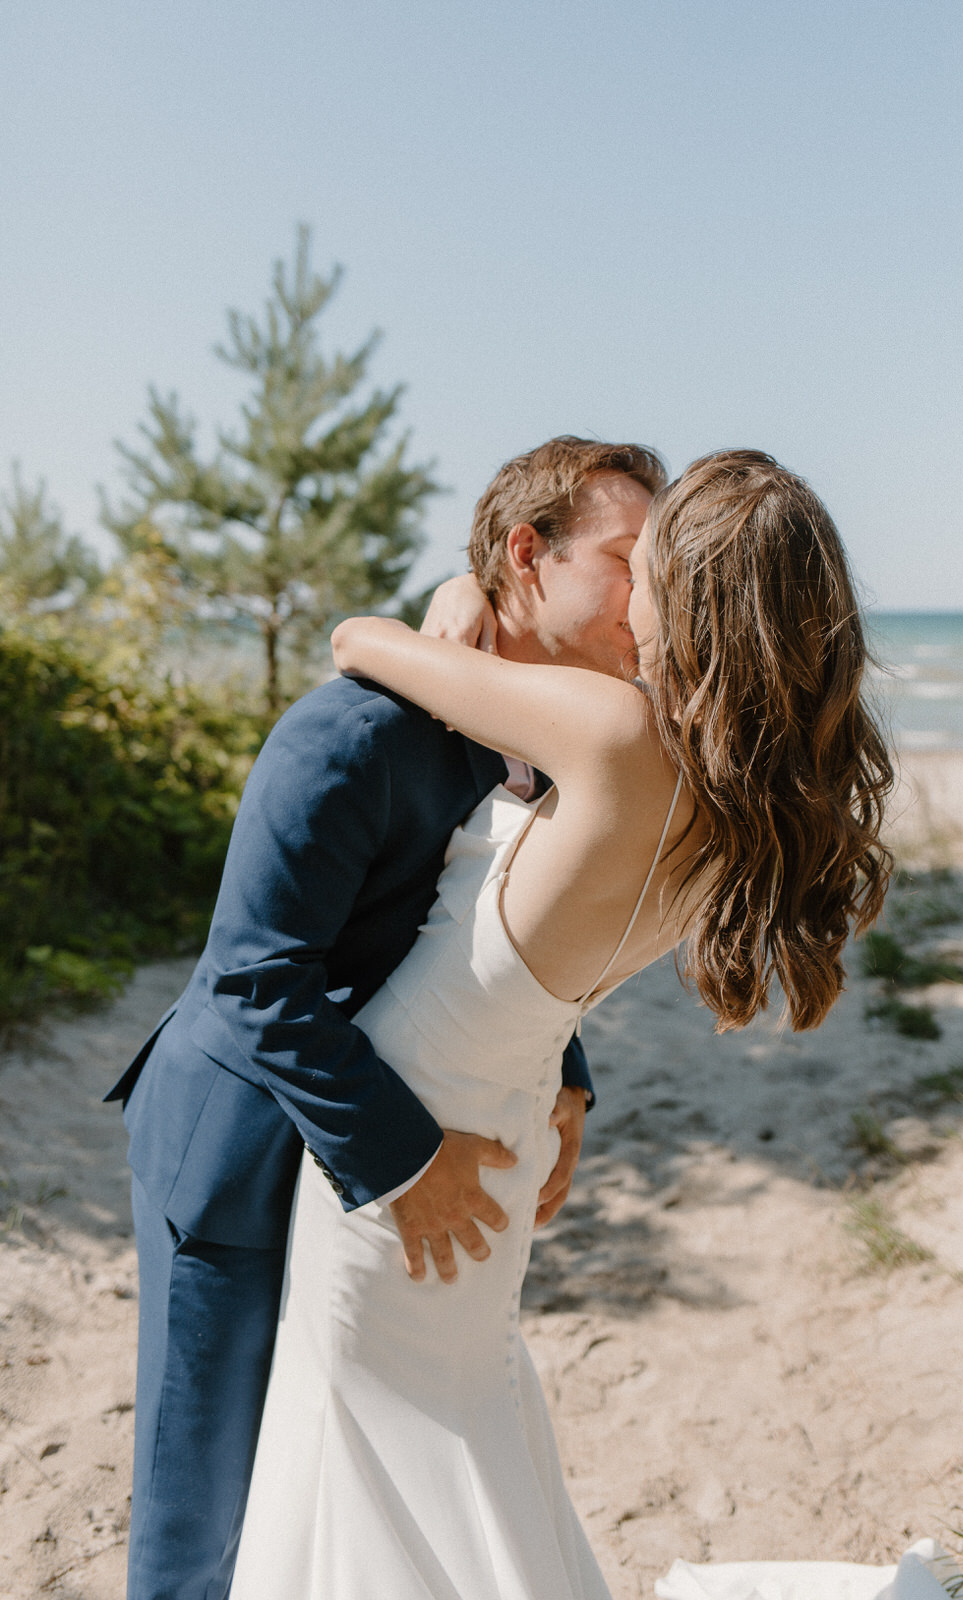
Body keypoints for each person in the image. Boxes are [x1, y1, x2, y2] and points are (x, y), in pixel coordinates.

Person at [228, 449, 895, 1600]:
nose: (629, 591)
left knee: (378, 1464)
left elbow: (357, 640)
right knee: (463, 1429)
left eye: (647, 563)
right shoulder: (732, 792)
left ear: (688, 592)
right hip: (501, 1133)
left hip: (402, 1160)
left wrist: (453, 609)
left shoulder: (611, 733)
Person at [104, 435, 666, 1600]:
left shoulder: (544, 745)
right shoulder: (351, 732)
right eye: (624, 560)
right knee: (204, 1502)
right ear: (527, 554)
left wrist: (563, 1074)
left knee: (309, 1490)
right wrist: (409, 1162)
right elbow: (255, 975)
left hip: (357, 1135)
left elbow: (488, 929)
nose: (645, 598)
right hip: (238, 1142)